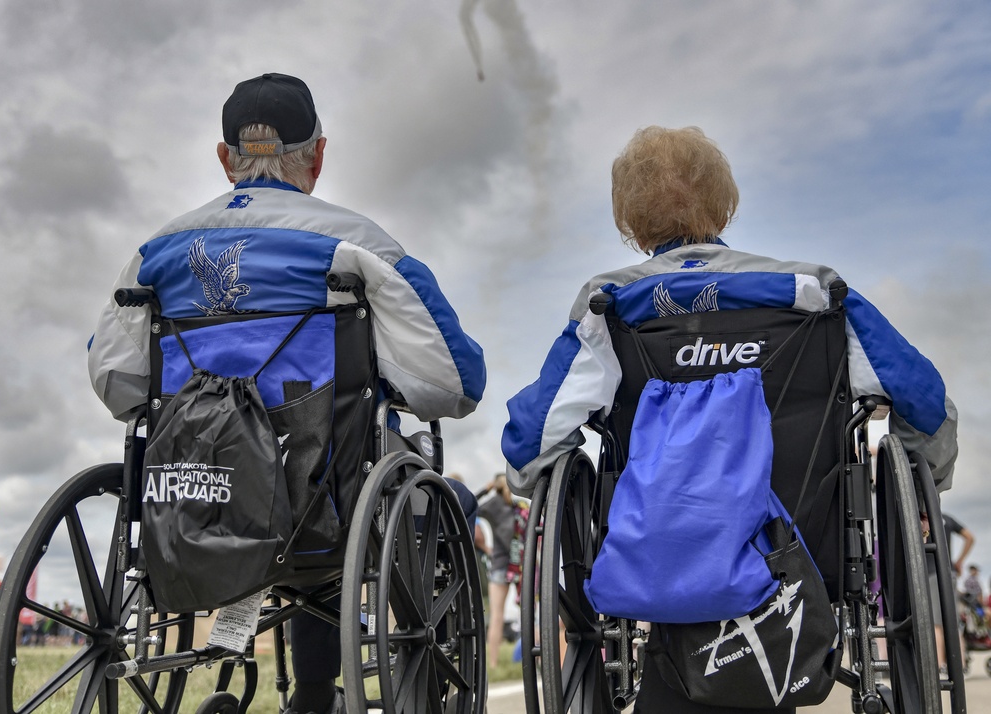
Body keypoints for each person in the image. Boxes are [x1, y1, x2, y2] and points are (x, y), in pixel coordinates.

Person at [501, 126, 958, 714]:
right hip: (796, 557)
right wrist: (925, 489)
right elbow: (925, 402)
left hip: (656, 560)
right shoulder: (815, 294)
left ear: (631, 222)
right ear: (724, 202)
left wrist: (544, 482)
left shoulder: (608, 307)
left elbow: (529, 445)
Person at [87, 72, 486, 714]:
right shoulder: (361, 245)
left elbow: (117, 382)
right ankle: (327, 693)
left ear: (225, 160)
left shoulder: (154, 255)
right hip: (321, 506)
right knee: (359, 476)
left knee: (326, 472)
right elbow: (454, 385)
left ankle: (309, 692)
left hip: (192, 503)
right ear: (319, 155)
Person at [922, 510, 974, 673]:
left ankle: (940, 665)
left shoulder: (921, 518)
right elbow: (970, 537)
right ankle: (961, 666)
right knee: (952, 621)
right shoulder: (946, 518)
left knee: (936, 624)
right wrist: (959, 562)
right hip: (948, 572)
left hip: (931, 573)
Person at [477, 473, 520, 668]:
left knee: (496, 616)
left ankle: (492, 663)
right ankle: (533, 656)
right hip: (520, 564)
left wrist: (485, 490)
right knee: (529, 613)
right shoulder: (517, 506)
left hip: (501, 564)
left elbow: (470, 507)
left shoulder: (494, 502)